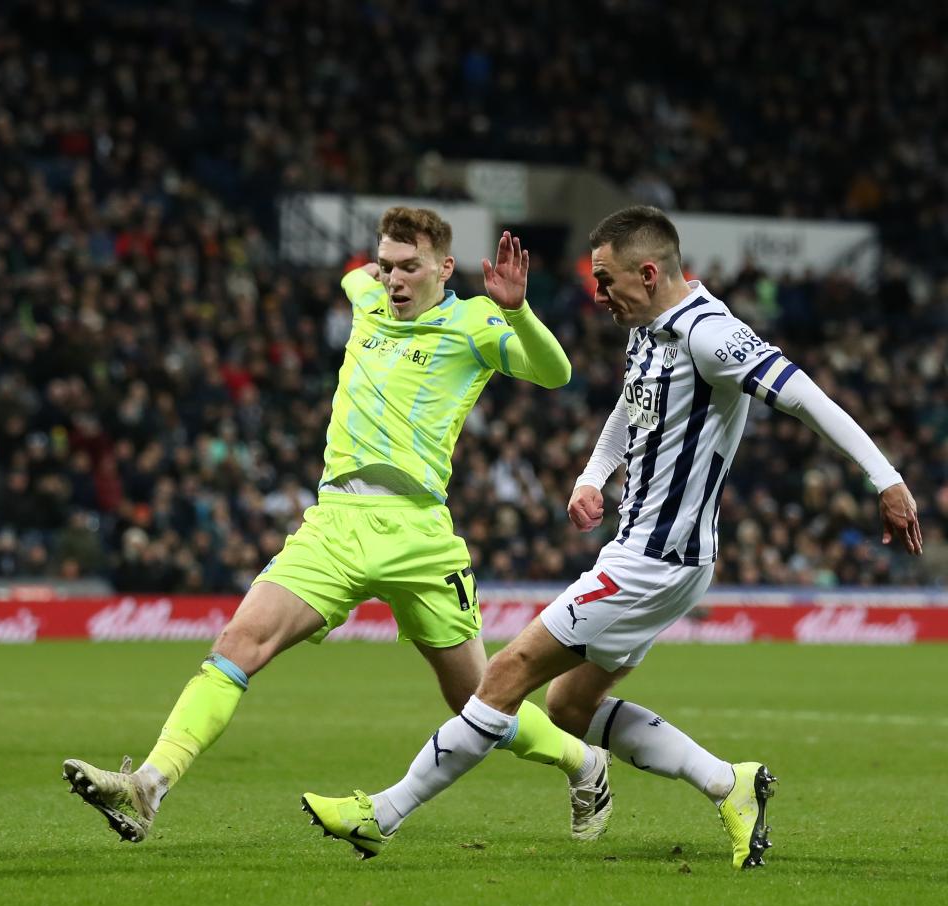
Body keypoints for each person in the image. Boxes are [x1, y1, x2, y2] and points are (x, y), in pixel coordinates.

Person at [302, 205, 922, 869]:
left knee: (506, 671)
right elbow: (632, 406)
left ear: (649, 273)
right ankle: (730, 784)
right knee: (568, 705)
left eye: (605, 281)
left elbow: (805, 397)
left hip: (656, 559)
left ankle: (382, 814)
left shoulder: (710, 335)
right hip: (651, 552)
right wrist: (594, 474)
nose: (597, 295)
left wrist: (885, 481)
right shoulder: (646, 326)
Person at [62, 207, 614, 843]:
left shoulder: (475, 322)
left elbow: (557, 373)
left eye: (411, 267)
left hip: (418, 532)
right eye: (386, 266)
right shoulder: (364, 294)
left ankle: (584, 761)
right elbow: (358, 279)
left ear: (446, 268)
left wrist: (516, 311)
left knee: (476, 703)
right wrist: (372, 274)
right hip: (335, 520)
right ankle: (149, 785)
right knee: (240, 645)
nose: (395, 279)